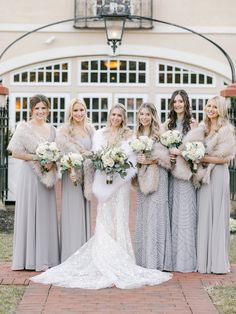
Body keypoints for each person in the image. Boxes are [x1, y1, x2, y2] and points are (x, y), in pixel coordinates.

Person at [31, 103, 172, 289]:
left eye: (119, 115)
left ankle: (122, 257)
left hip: (120, 185)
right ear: (109, 116)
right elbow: (95, 157)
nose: (115, 118)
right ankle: (103, 257)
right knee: (104, 219)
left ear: (124, 118)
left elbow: (131, 161)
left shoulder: (130, 136)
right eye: (113, 114)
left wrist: (117, 167)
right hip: (104, 184)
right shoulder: (99, 134)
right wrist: (101, 164)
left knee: (119, 219)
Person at [7, 94, 60, 271]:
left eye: (43, 108)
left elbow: (57, 152)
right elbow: (14, 152)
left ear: (48, 110)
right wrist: (37, 157)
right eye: (37, 108)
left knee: (46, 214)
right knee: (29, 212)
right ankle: (27, 259)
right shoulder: (23, 129)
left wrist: (51, 160)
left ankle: (46, 258)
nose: (40, 111)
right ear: (31, 110)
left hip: (47, 176)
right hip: (29, 175)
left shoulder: (52, 129)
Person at [196, 96, 236, 274]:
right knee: (204, 213)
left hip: (218, 174)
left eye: (214, 107)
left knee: (217, 214)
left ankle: (217, 262)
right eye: (209, 106)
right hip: (204, 175)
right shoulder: (202, 128)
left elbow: (226, 158)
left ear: (221, 110)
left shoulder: (226, 130)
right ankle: (203, 261)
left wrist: (203, 158)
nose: (210, 109)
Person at [163, 89, 200, 272]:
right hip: (170, 174)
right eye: (175, 102)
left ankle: (185, 261)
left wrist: (180, 152)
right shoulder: (167, 124)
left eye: (180, 101)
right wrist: (167, 155)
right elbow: (161, 147)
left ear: (186, 103)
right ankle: (171, 259)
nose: (177, 104)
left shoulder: (193, 124)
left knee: (185, 215)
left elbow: (198, 150)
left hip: (185, 175)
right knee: (171, 214)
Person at [134, 103, 172, 271]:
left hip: (159, 177)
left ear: (153, 116)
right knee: (145, 214)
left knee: (157, 214)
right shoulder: (136, 134)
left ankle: (157, 260)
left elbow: (167, 157)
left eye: (147, 114)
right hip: (143, 178)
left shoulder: (160, 134)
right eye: (141, 114)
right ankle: (144, 259)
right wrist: (138, 161)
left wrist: (151, 159)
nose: (144, 117)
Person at [56, 98, 95, 262]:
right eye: (76, 110)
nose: (79, 113)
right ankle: (70, 254)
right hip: (71, 176)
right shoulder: (64, 131)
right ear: (70, 112)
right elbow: (61, 153)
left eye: (82, 110)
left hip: (86, 176)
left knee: (84, 209)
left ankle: (84, 252)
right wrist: (72, 166)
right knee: (73, 211)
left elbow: (94, 151)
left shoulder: (90, 129)